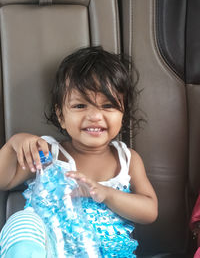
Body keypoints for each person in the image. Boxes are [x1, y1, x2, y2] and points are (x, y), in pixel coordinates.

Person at [0, 46, 158, 257]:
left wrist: (107, 194)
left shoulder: (127, 160)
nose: (95, 116)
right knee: (22, 221)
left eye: (108, 105)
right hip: (54, 249)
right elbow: (4, 180)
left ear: (123, 113)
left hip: (106, 253)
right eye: (80, 106)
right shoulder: (48, 154)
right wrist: (14, 144)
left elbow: (149, 211)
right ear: (61, 115)